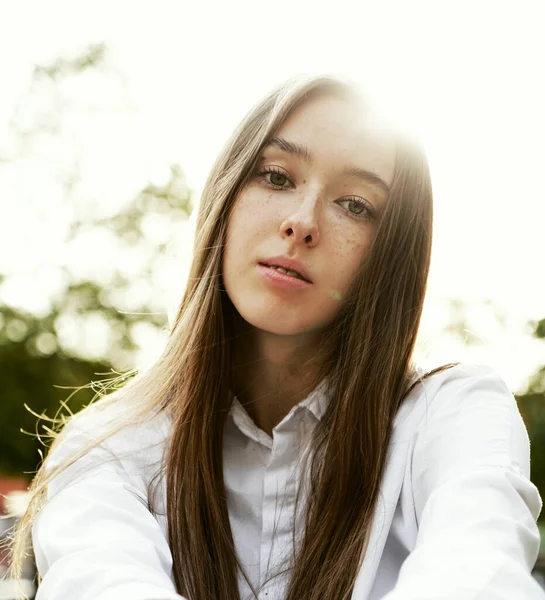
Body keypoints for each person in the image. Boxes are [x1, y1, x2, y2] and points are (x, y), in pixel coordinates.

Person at [7, 74, 544, 600]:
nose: (301, 222)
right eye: (276, 177)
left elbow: (481, 573)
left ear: (392, 251)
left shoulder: (453, 416)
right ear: (227, 194)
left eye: (356, 205)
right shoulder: (106, 447)